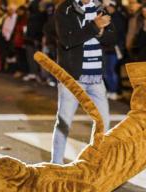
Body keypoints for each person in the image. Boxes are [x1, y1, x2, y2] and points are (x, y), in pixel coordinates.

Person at [51, 0, 115, 165]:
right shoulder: (65, 9)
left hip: (96, 77)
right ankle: (56, 164)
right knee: (64, 122)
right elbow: (67, 40)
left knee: (104, 123)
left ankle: (95, 163)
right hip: (72, 77)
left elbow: (112, 39)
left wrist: (101, 32)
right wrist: (94, 26)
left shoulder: (100, 9)